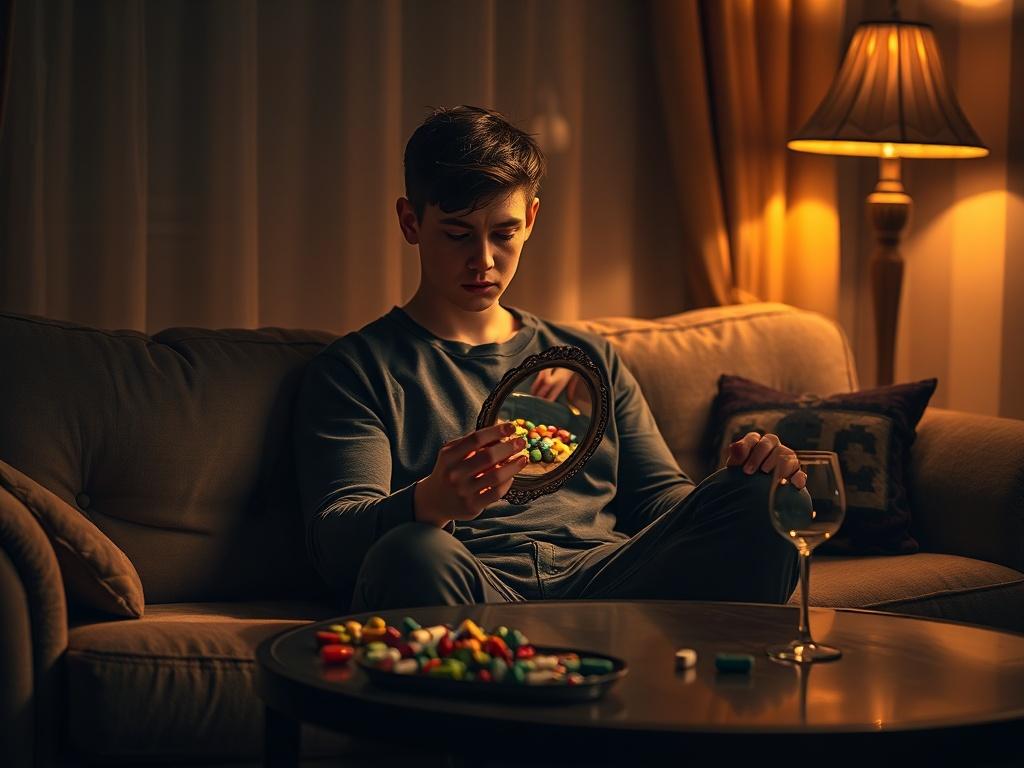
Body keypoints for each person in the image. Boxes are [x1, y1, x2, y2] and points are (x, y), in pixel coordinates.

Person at [292, 105, 803, 611]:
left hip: (611, 590)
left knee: (767, 499)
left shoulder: (590, 359)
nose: (484, 259)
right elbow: (335, 539)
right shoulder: (358, 369)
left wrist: (736, 481)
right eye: (456, 233)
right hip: (474, 592)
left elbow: (659, 500)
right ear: (411, 221)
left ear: (531, 219)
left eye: (504, 232)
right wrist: (429, 502)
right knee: (411, 551)